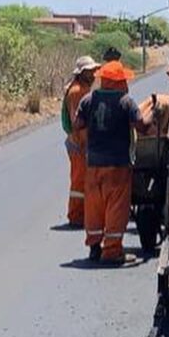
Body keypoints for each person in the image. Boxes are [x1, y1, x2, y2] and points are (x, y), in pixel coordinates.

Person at [73, 60, 153, 266]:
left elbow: (77, 125)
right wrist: (153, 114)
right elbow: (142, 127)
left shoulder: (88, 100)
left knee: (94, 205)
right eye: (123, 80)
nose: (126, 84)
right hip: (118, 165)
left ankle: (94, 247)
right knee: (116, 206)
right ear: (117, 82)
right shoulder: (126, 102)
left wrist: (91, 139)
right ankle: (112, 251)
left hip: (93, 164)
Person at [62, 56, 99, 228]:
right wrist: (86, 144)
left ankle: (82, 214)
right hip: (78, 144)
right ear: (82, 73)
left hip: (81, 143)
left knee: (84, 180)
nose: (93, 74)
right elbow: (78, 122)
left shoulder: (83, 89)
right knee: (78, 181)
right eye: (90, 71)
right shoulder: (77, 92)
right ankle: (76, 216)